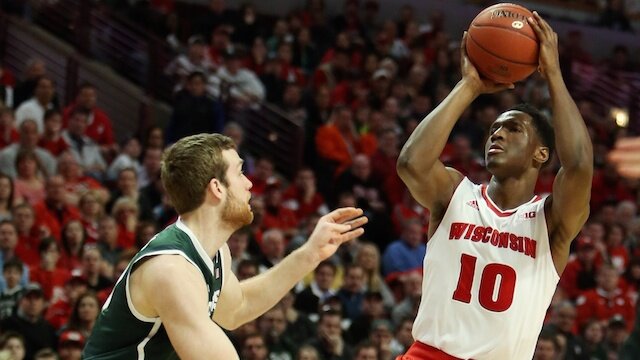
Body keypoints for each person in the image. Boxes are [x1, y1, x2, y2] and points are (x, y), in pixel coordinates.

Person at [395, 12, 593, 360]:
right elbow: (411, 164)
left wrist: (554, 76)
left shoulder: (549, 222)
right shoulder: (456, 194)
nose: (498, 133)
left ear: (541, 154)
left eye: (514, 129)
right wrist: (469, 86)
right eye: (494, 129)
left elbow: (578, 165)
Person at [83, 133, 367, 359]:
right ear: (217, 188)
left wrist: (309, 254)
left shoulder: (214, 251)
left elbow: (236, 309)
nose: (250, 183)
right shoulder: (171, 270)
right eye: (240, 172)